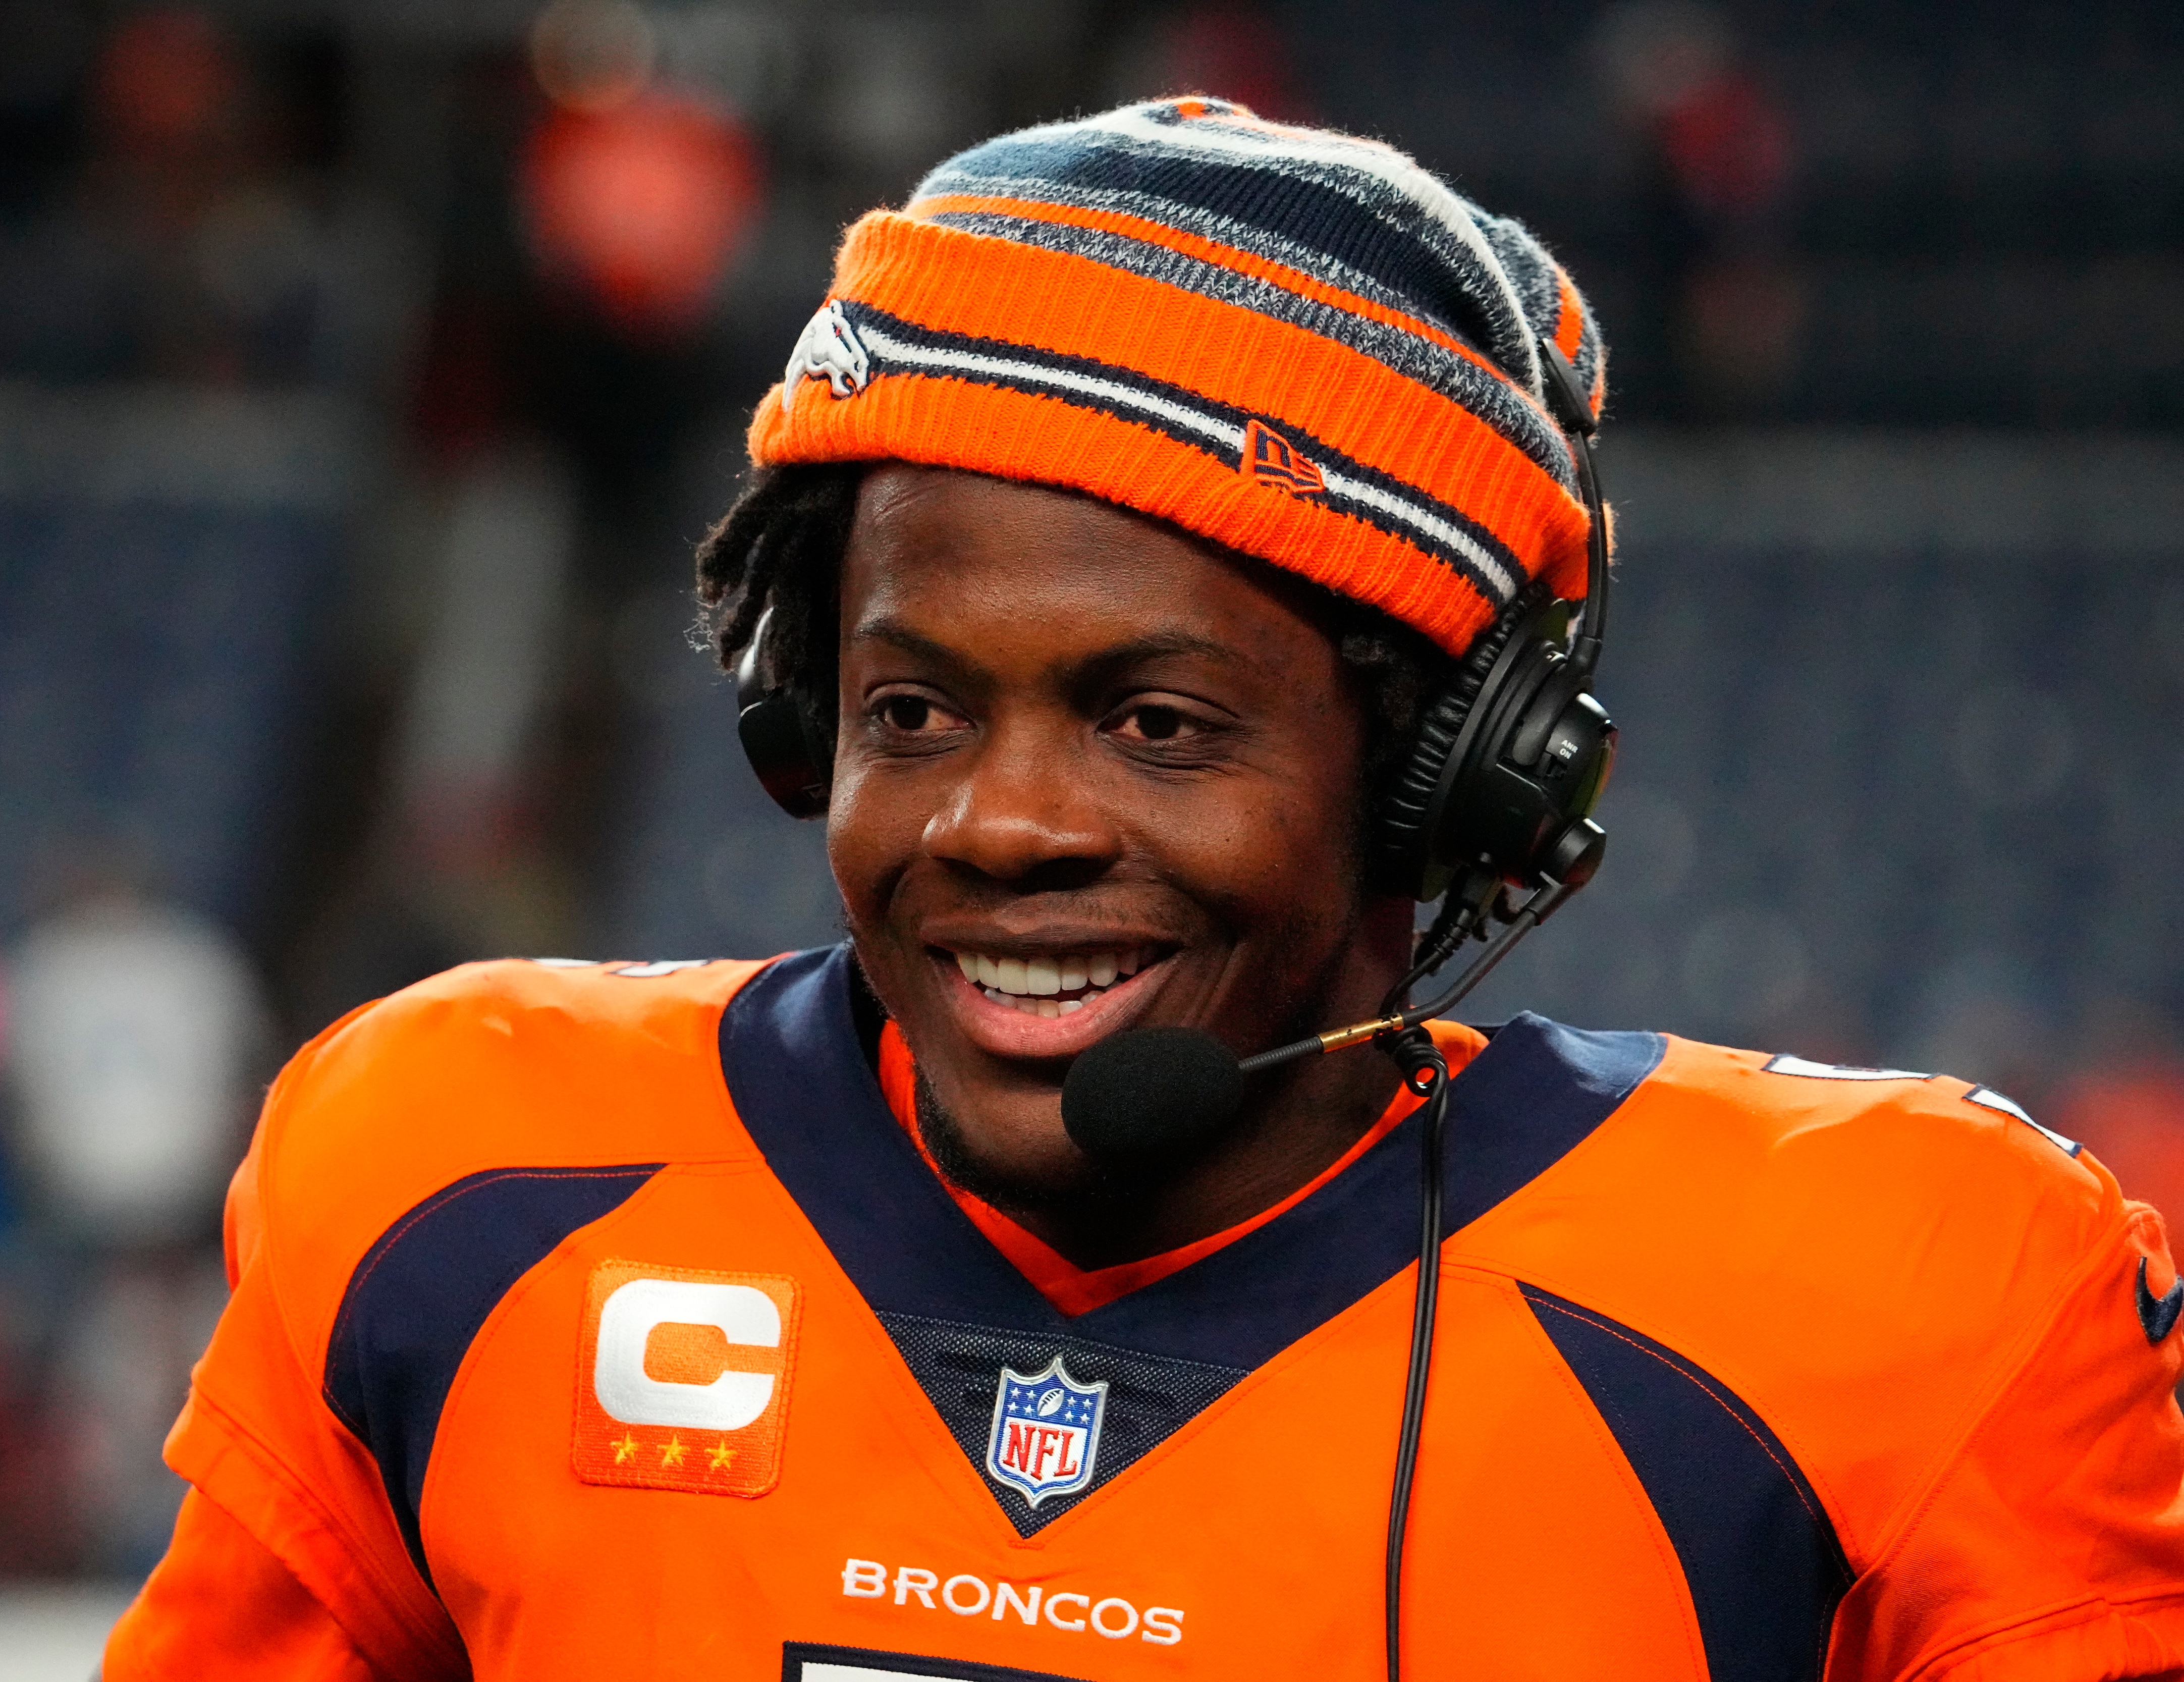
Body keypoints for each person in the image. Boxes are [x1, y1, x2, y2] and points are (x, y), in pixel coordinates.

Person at [105, 98, 2184, 1681]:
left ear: (1447, 771)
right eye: (911, 709)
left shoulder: (1914, 1309)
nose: (1000, 823)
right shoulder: (461, 1177)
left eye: (1156, 723)